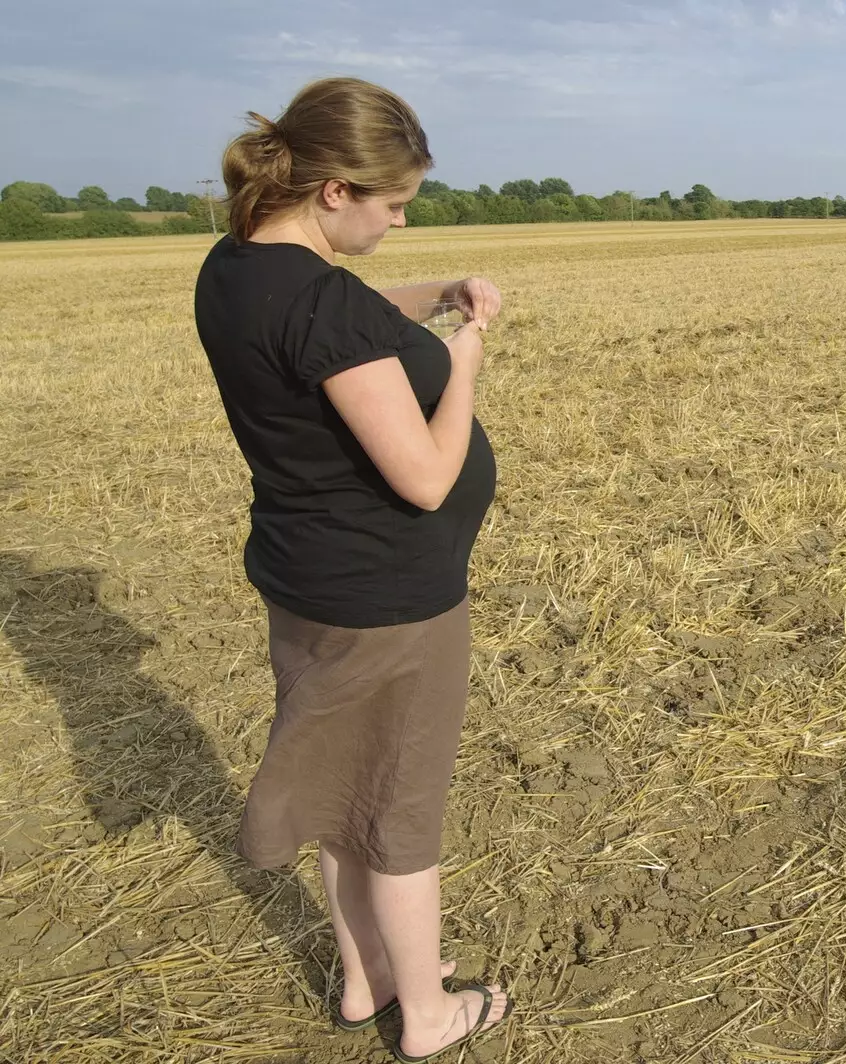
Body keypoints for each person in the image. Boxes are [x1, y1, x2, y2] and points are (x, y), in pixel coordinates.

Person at [192, 77, 511, 1062]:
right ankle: (427, 1013)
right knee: (399, 813)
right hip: (390, 604)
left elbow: (346, 318)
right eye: (393, 201)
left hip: (307, 585)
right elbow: (421, 475)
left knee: (339, 795)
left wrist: (433, 295)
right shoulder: (319, 302)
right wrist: (461, 364)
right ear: (334, 191)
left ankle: (365, 973)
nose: (402, 218)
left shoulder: (239, 265)